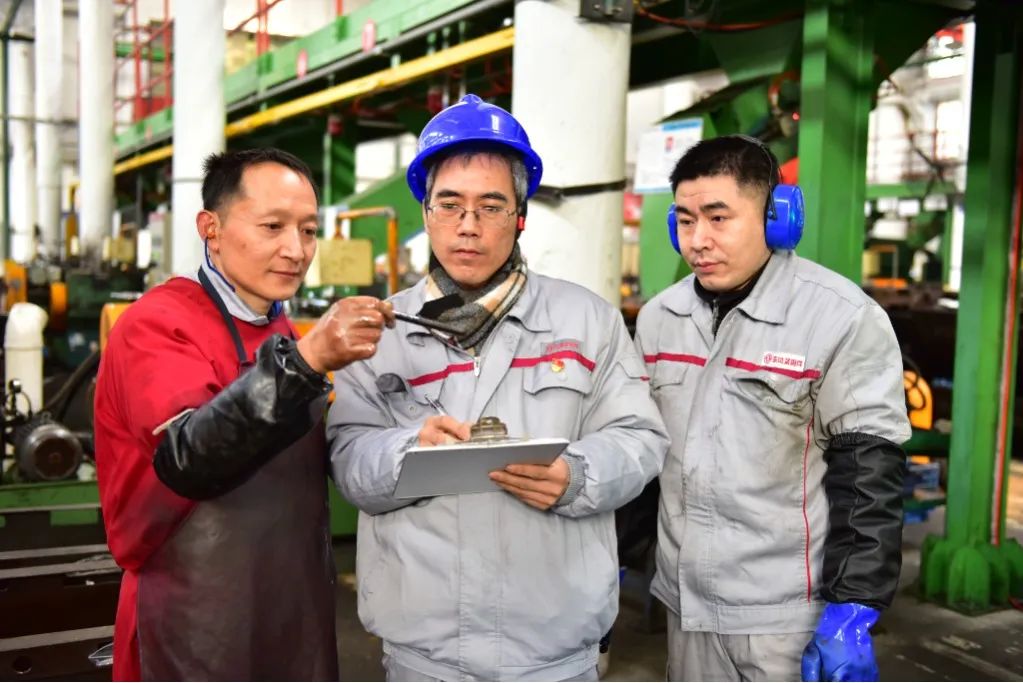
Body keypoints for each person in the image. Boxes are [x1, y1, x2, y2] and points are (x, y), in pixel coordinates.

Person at [326, 94, 669, 682]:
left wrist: (578, 476)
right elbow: (348, 458)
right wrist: (407, 451)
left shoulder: (588, 320)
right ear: (425, 212)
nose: (469, 225)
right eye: (450, 205)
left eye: (491, 206)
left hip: (554, 652)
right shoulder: (379, 334)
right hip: (424, 655)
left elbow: (640, 438)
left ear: (520, 216)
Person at [93, 148, 394, 681]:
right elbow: (189, 457)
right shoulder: (157, 325)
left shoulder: (278, 327)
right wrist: (307, 361)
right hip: (193, 617)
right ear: (210, 228)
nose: (295, 250)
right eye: (272, 227)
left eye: (308, 231)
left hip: (293, 607)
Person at [634, 135, 910, 682]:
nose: (698, 240)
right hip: (684, 608)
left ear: (776, 218)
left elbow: (869, 474)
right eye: (685, 221)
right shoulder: (660, 318)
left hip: (784, 622)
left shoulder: (839, 318)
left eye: (718, 218)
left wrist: (854, 605)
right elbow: (644, 454)